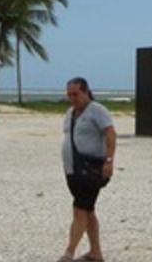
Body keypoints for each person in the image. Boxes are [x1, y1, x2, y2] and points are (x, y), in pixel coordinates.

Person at [59, 76, 116, 262]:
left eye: (75, 94)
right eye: (69, 95)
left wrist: (109, 160)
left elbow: (110, 134)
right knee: (88, 210)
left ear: (85, 92)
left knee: (79, 209)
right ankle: (96, 253)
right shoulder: (70, 113)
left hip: (91, 169)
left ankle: (69, 252)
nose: (72, 98)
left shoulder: (97, 111)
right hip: (73, 170)